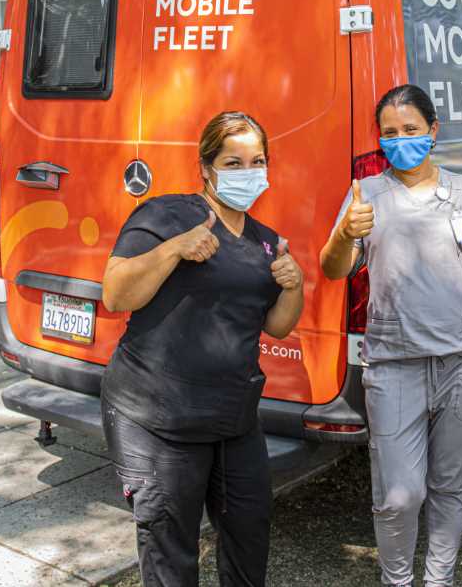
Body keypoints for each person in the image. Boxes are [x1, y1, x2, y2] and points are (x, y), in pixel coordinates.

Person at [320, 83, 462, 587]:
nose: (400, 140)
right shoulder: (364, 195)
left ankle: (438, 581)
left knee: (449, 486)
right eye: (389, 133)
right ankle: (398, 581)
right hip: (394, 363)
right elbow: (333, 269)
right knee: (399, 494)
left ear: (433, 131)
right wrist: (346, 233)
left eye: (410, 130)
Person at [101, 111, 304, 587]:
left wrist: (294, 286)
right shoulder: (165, 214)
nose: (247, 172)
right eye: (233, 162)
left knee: (249, 543)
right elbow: (115, 293)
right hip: (156, 420)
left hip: (234, 422)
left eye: (257, 161)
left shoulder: (266, 242)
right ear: (206, 168)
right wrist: (174, 249)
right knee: (172, 560)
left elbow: (276, 325)